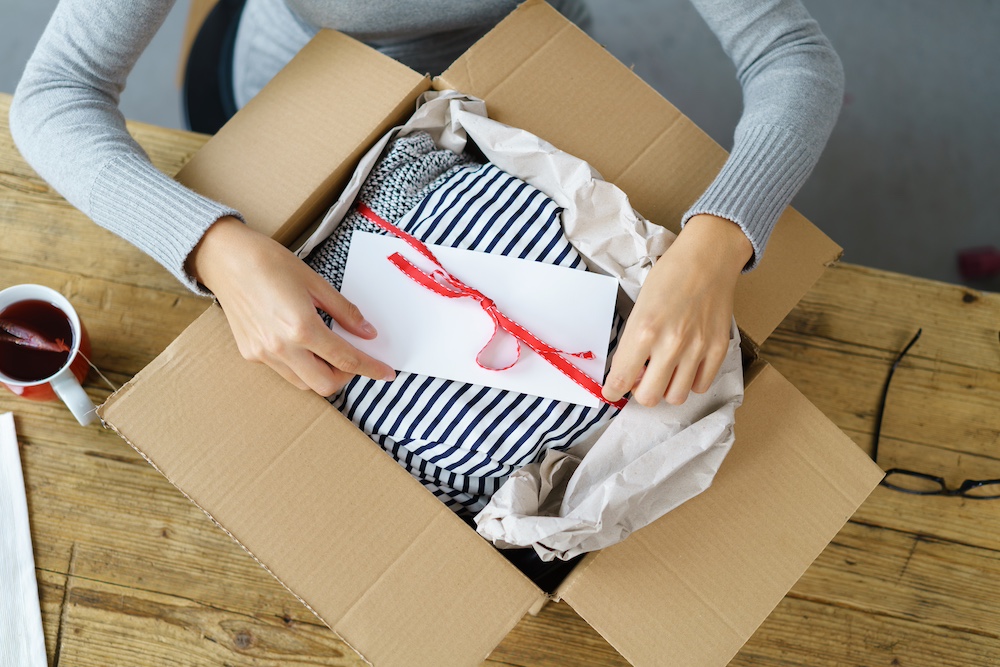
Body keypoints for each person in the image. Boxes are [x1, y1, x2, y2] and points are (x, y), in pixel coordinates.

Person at [9, 0, 844, 408]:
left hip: (531, 90)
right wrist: (212, 247)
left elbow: (792, 54)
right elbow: (53, 94)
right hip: (299, 103)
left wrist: (716, 243)